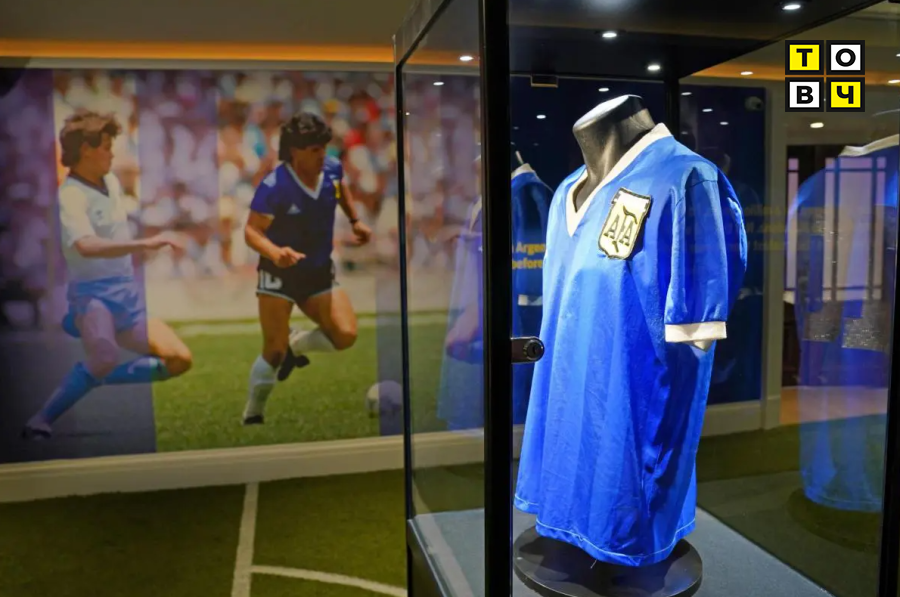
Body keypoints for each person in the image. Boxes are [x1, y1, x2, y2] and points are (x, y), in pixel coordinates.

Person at [23, 111, 193, 440]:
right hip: (92, 296)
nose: (112, 154)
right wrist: (144, 244)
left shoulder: (110, 182)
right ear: (86, 150)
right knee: (104, 355)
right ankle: (39, 421)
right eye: (106, 147)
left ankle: (92, 378)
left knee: (179, 360)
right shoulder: (70, 195)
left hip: (126, 294)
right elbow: (85, 245)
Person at [242, 112, 372, 425]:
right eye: (314, 149)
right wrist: (275, 253)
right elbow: (251, 231)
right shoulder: (275, 186)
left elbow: (340, 188)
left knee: (345, 335)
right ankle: (253, 413)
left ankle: (296, 343)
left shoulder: (331, 169)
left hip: (317, 271)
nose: (322, 155)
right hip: (279, 274)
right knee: (273, 351)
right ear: (294, 151)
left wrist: (355, 220)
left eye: (323, 148)